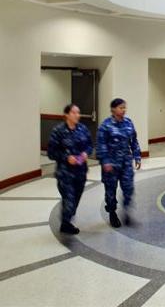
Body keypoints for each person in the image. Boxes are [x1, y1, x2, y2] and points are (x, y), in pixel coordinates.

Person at [48, 104, 93, 235]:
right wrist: (66, 157)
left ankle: (67, 216)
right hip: (65, 173)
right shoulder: (58, 131)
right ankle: (65, 224)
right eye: (74, 113)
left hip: (80, 172)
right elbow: (51, 152)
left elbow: (90, 145)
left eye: (78, 113)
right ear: (66, 114)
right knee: (69, 199)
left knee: (75, 199)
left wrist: (86, 153)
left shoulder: (83, 129)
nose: (77, 115)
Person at [96, 98, 141, 228]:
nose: (123, 110)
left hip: (126, 163)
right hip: (110, 165)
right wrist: (105, 161)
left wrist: (137, 156)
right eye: (121, 107)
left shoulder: (128, 122)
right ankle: (112, 213)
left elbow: (134, 141)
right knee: (110, 191)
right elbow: (100, 146)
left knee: (128, 189)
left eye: (124, 107)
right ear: (113, 109)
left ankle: (126, 212)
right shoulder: (106, 125)